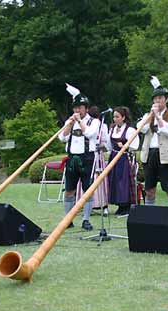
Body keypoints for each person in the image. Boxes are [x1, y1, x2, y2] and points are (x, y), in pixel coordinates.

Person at [58, 84, 101, 231]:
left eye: (80, 107)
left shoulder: (94, 122)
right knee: (69, 190)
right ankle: (68, 219)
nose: (77, 110)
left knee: (87, 190)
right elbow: (62, 138)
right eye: (75, 108)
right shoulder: (69, 122)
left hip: (87, 159)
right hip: (72, 159)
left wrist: (79, 122)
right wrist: (69, 125)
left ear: (86, 108)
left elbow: (89, 134)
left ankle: (86, 219)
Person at [137, 76, 168, 212]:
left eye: (160, 98)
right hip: (150, 154)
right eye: (155, 99)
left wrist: (158, 117)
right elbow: (141, 128)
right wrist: (151, 116)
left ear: (166, 100)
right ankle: (150, 219)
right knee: (149, 190)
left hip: (166, 156)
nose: (157, 101)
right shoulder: (149, 115)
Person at [106, 106, 140, 215]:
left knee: (123, 181)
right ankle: (119, 204)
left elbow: (135, 145)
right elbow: (108, 144)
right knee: (114, 180)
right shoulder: (112, 129)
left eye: (117, 117)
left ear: (123, 117)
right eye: (114, 117)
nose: (115, 119)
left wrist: (125, 146)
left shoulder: (130, 130)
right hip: (114, 157)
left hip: (125, 158)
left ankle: (126, 205)